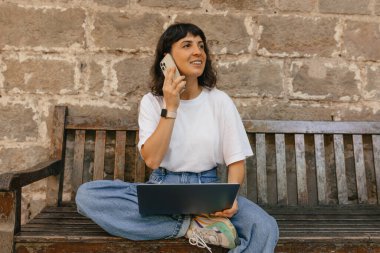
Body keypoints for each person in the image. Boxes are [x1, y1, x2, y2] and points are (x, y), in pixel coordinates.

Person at [76, 22, 279, 253]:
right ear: (167, 58)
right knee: (87, 196)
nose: (198, 52)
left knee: (265, 227)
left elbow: (236, 160)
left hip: (209, 192)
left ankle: (194, 222)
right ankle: (190, 225)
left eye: (201, 46)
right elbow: (152, 160)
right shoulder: (151, 102)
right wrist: (170, 107)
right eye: (187, 45)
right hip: (163, 187)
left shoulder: (219, 101)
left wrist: (230, 199)